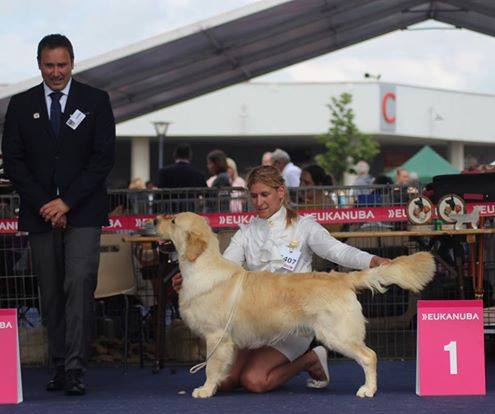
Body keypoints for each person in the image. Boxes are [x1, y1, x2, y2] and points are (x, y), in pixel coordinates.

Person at [172, 165, 390, 394]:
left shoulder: (304, 227)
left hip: (294, 322)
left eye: (265, 194)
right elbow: (223, 270)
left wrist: (371, 261)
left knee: (254, 381)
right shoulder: (246, 232)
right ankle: (262, 360)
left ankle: (311, 359)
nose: (259, 202)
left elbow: (337, 250)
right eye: (254, 196)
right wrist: (190, 280)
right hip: (256, 323)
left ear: (281, 192)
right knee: (223, 381)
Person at [2, 34, 115, 395]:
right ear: (38, 64)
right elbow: (14, 163)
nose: (56, 72)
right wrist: (46, 205)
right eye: (49, 65)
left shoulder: (96, 101)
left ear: (72, 62)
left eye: (62, 65)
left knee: (79, 283)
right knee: (50, 292)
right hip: (39, 215)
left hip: (82, 213)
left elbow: (103, 159)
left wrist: (66, 202)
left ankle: (76, 367)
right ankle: (59, 365)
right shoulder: (19, 105)